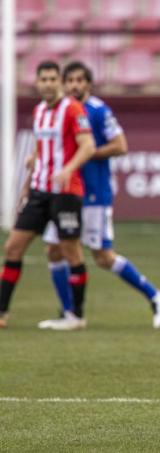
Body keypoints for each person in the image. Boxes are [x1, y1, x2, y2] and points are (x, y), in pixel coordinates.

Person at [36, 62, 160, 331]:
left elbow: (121, 145)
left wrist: (85, 153)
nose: (74, 85)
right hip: (65, 193)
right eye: (70, 80)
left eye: (80, 80)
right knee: (53, 249)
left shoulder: (98, 111)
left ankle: (156, 296)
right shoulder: (60, 111)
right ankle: (68, 312)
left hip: (94, 193)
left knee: (102, 256)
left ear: (88, 84)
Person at [0, 61, 95, 328]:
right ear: (37, 83)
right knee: (13, 247)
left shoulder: (73, 109)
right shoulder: (40, 111)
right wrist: (27, 184)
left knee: (70, 251)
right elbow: (42, 150)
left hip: (65, 192)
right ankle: (2, 312)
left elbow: (87, 146)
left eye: (53, 79)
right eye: (44, 79)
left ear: (61, 83)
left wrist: (68, 169)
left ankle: (76, 315)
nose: (49, 84)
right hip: (40, 191)